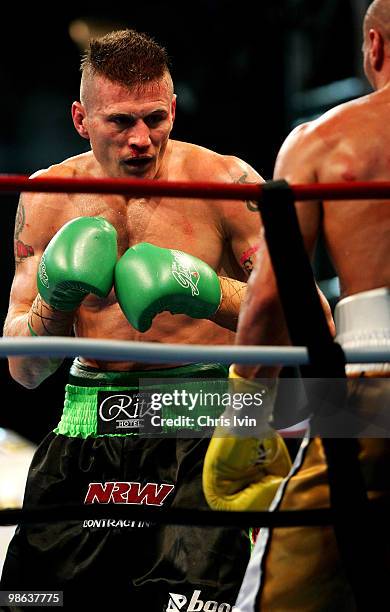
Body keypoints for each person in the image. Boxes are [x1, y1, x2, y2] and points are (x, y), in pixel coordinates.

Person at [0, 29, 265, 609]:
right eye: (120, 121)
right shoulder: (44, 198)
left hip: (202, 427)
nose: (142, 139)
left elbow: (307, 319)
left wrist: (204, 289)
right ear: (80, 118)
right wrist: (55, 301)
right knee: (32, 602)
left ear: (173, 107)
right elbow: (22, 369)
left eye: (154, 118)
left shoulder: (227, 184)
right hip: (86, 431)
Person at [203, 1, 390, 610]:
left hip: (377, 392)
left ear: (375, 46)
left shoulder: (326, 142)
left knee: (280, 595)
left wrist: (243, 412)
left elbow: (273, 293)